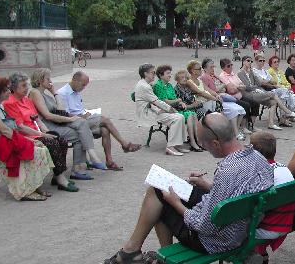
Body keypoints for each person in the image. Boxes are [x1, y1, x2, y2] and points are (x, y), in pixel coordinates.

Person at [103, 113, 273, 263]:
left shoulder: (227, 170)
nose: (204, 147)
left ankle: (133, 252)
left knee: (159, 195)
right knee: (164, 190)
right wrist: (208, 186)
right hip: (242, 228)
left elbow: (205, 226)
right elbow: (239, 189)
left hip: (216, 241)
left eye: (203, 143)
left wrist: (176, 203)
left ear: (215, 143)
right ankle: (132, 252)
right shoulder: (257, 157)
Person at [28, 68, 114, 177]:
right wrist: (70, 119)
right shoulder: (35, 93)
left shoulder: (44, 93)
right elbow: (47, 115)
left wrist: (54, 93)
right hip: (47, 126)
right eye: (48, 78)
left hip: (54, 123)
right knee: (80, 131)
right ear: (40, 80)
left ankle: (83, 164)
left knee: (81, 125)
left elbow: (60, 110)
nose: (50, 81)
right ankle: (82, 165)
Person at [3, 73, 78, 193]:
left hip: (36, 132)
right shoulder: (10, 103)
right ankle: (61, 178)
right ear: (13, 87)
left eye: (26, 85)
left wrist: (47, 131)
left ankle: (57, 175)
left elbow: (36, 119)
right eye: (23, 86)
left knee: (61, 141)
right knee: (51, 143)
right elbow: (20, 127)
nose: (26, 88)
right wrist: (44, 135)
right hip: (24, 136)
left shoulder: (26, 100)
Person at [0, 76, 54, 201]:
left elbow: (11, 130)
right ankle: (26, 190)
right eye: (6, 90)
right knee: (33, 153)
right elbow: (3, 129)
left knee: (40, 149)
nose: (9, 92)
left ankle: (34, 185)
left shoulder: (0, 106)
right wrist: (27, 141)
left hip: (5, 140)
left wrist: (30, 140)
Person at [57, 71, 141, 163]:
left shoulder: (76, 91)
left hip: (83, 118)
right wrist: (82, 116)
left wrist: (88, 113)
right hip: (74, 122)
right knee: (105, 120)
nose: (84, 88)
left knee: (105, 129)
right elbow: (64, 114)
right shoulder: (62, 93)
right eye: (83, 85)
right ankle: (125, 144)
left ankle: (109, 161)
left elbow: (78, 108)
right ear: (75, 81)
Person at [250, 131, 295, 263]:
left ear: (254, 152)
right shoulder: (283, 168)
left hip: (269, 227)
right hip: (286, 223)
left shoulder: (261, 174)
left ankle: (253, 257)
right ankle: (262, 254)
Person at [134, 64, 192, 156]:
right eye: (152, 72)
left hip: (153, 109)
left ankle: (177, 144)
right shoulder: (144, 86)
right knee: (177, 118)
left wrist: (168, 109)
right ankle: (170, 147)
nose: (154, 74)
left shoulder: (145, 84)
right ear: (145, 74)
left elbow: (154, 102)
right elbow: (157, 101)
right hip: (148, 113)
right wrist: (170, 109)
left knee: (180, 116)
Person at [238, 56, 295, 130]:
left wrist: (254, 74)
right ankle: (287, 111)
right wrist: (256, 86)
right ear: (243, 61)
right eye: (248, 61)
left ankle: (271, 124)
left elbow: (259, 83)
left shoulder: (252, 72)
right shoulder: (240, 73)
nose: (250, 63)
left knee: (273, 102)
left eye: (251, 61)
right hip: (249, 94)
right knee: (273, 94)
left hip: (258, 92)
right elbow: (247, 87)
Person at [152, 65, 202, 152]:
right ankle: (193, 143)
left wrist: (181, 102)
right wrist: (178, 100)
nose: (170, 75)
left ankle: (197, 141)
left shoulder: (169, 85)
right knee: (190, 114)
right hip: (167, 110)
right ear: (161, 75)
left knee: (193, 114)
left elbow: (175, 98)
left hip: (175, 108)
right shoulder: (158, 85)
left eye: (170, 73)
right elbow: (164, 101)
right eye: (168, 73)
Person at [200, 58, 252, 135]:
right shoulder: (205, 77)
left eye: (213, 67)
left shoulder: (214, 76)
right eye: (211, 67)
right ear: (204, 68)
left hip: (224, 96)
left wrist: (222, 87)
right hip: (215, 99)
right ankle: (236, 131)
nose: (213, 68)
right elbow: (214, 90)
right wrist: (222, 86)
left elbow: (223, 89)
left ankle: (237, 130)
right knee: (237, 109)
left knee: (241, 108)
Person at [218, 58, 262, 132]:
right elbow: (231, 91)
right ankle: (243, 127)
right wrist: (239, 87)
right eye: (228, 66)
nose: (231, 67)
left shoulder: (233, 74)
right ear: (223, 68)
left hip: (240, 95)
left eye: (231, 65)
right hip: (232, 98)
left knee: (255, 103)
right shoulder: (223, 76)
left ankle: (251, 125)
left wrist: (236, 87)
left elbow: (243, 85)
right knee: (246, 105)